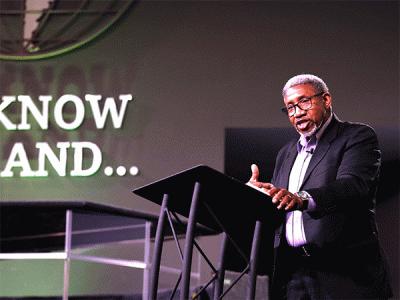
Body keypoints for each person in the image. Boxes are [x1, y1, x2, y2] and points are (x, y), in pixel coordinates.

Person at [248, 74, 393, 299]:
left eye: (304, 102)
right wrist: (259, 195)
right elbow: (282, 204)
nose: (297, 112)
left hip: (344, 271)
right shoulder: (286, 153)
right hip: (293, 273)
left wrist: (303, 198)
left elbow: (353, 185)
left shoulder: (356, 136)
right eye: (290, 108)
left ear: (326, 100)